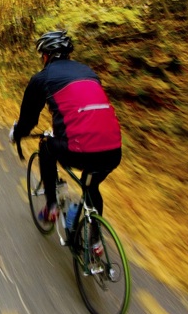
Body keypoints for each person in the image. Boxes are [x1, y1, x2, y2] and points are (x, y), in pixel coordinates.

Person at [9, 30, 122, 252]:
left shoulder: (42, 78)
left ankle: (51, 206)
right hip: (113, 149)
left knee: (46, 147)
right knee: (91, 187)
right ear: (68, 54)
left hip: (79, 148)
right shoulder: (88, 72)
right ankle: (96, 241)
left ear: (46, 56)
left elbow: (29, 119)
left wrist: (17, 133)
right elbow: (85, 110)